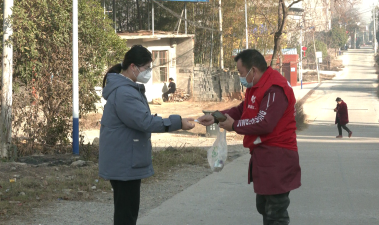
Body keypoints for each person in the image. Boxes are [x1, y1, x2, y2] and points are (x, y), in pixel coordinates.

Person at [198, 49, 301, 225]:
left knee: (275, 212)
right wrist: (216, 117)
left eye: (241, 72)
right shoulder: (256, 87)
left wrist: (235, 126)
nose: (241, 77)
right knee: (264, 207)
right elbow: (241, 111)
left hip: (278, 157)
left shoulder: (275, 88)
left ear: (253, 70)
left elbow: (265, 122)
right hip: (263, 156)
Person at [98, 45, 195, 225]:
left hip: (125, 160)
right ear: (133, 67)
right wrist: (178, 122)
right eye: (146, 68)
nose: (149, 72)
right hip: (124, 163)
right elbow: (145, 122)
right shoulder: (125, 92)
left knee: (126, 213)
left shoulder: (129, 88)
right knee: (126, 216)